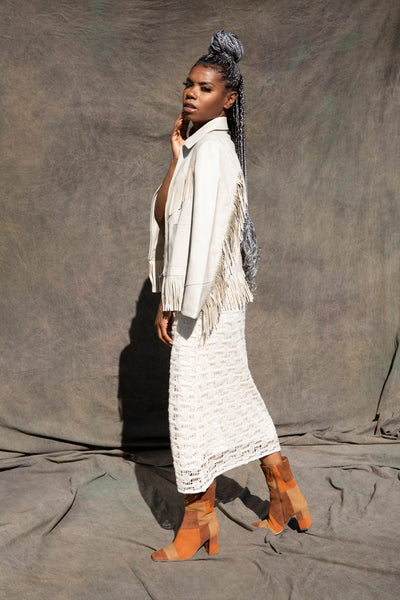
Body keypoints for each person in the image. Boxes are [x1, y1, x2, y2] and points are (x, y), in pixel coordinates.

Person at [148, 30, 311, 562]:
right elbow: (165, 217)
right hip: (208, 296)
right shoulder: (197, 150)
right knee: (231, 391)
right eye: (189, 85)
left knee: (191, 404)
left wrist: (175, 301)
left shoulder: (216, 152)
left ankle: (198, 523)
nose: (191, 94)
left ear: (229, 98)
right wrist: (176, 157)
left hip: (206, 300)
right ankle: (284, 491)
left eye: (205, 87)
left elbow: (208, 239)